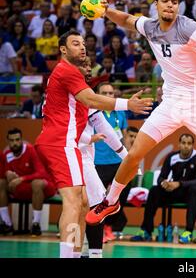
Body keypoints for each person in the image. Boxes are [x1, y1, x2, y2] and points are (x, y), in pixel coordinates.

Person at [85, 0, 196, 226]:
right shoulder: (149, 27)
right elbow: (125, 19)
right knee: (135, 152)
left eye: (174, 2)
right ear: (156, 5)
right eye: (165, 1)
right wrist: (106, 11)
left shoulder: (187, 27)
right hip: (172, 101)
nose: (170, 5)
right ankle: (111, 200)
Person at [34, 29, 151, 258]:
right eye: (75, 43)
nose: (82, 47)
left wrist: (123, 152)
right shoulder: (66, 71)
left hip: (69, 144)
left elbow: (96, 112)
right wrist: (128, 104)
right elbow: (91, 99)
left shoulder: (70, 75)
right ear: (63, 50)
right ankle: (69, 256)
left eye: (83, 43)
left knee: (84, 202)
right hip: (61, 143)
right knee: (73, 202)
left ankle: (78, 254)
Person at [76, 58, 129, 258]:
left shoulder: (89, 101)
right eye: (84, 66)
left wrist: (126, 155)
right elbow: (64, 129)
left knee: (84, 207)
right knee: (93, 206)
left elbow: (108, 130)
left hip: (87, 158)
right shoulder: (73, 95)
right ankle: (89, 253)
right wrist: (89, 138)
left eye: (90, 66)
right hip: (78, 157)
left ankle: (83, 252)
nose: (89, 69)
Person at [130, 133, 196, 243]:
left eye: (189, 143)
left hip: (190, 193)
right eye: (183, 143)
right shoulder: (172, 157)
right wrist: (164, 183)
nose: (186, 146)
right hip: (174, 191)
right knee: (154, 191)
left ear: (193, 145)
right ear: (179, 144)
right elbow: (161, 177)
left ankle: (188, 232)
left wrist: (179, 183)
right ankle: (146, 231)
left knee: (195, 190)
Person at [0, 128, 57, 236]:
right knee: (1, 183)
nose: (15, 143)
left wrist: (21, 178)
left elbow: (42, 174)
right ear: (8, 141)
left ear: (21, 140)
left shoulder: (30, 150)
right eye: (12, 141)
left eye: (17, 140)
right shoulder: (6, 154)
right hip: (22, 188)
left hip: (44, 188)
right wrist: (8, 175)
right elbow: (4, 176)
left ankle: (36, 224)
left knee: (37, 183)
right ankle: (7, 224)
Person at [93, 82, 131, 243]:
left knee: (118, 196)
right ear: (97, 94)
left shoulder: (119, 113)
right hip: (98, 163)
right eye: (105, 93)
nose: (109, 96)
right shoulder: (93, 111)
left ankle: (108, 226)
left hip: (117, 162)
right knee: (98, 199)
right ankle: (100, 229)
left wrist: (129, 158)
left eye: (111, 93)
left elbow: (125, 135)